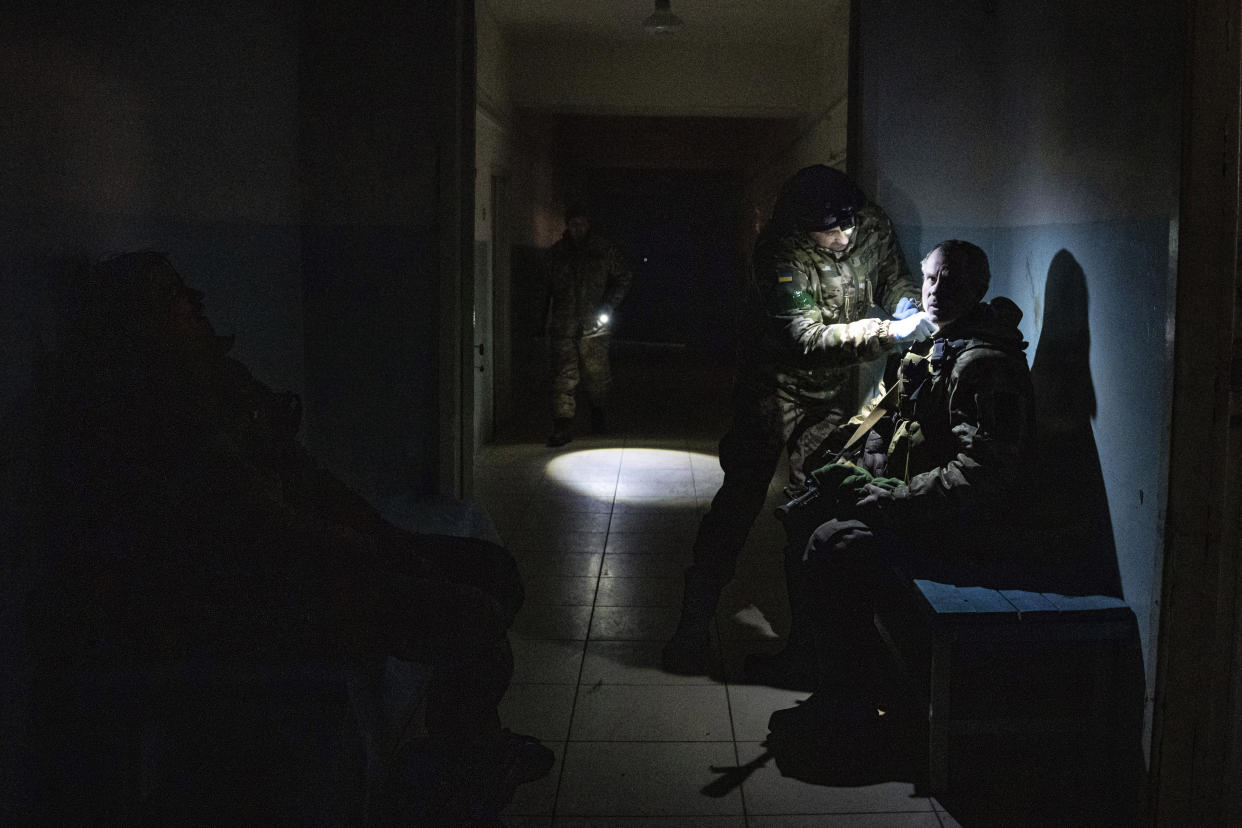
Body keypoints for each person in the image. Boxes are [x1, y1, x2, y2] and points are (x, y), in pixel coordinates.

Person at [29, 251, 553, 823]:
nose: (195, 305)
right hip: (246, 598)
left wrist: (389, 536)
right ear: (135, 322)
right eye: (174, 297)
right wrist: (378, 557)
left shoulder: (214, 379)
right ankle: (454, 777)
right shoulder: (147, 411)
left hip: (301, 557)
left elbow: (304, 477)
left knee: (491, 570)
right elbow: (259, 527)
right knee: (468, 614)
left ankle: (468, 743)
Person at [662, 165, 935, 676]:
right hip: (770, 389)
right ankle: (691, 630)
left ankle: (809, 646)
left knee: (815, 506)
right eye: (827, 231)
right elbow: (804, 338)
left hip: (825, 396)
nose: (841, 237)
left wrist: (906, 303)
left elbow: (893, 273)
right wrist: (889, 332)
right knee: (739, 502)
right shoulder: (778, 251)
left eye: (845, 225)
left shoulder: (868, 224)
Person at [766, 239, 1037, 733]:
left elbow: (985, 472)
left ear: (978, 289)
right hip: (919, 504)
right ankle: (811, 661)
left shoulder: (983, 364)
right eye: (931, 278)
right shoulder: (934, 346)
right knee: (804, 516)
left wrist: (893, 499)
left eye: (951, 281)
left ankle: (847, 703)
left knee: (835, 545)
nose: (936, 291)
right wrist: (845, 463)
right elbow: (885, 417)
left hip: (963, 524)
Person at [542, 201, 633, 447]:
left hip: (595, 325)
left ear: (588, 224)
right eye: (573, 225)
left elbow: (624, 276)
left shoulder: (603, 250)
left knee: (597, 374)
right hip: (564, 324)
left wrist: (607, 307)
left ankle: (598, 414)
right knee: (564, 376)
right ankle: (562, 425)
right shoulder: (556, 254)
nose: (577, 229)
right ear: (567, 226)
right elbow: (545, 289)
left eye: (581, 224)